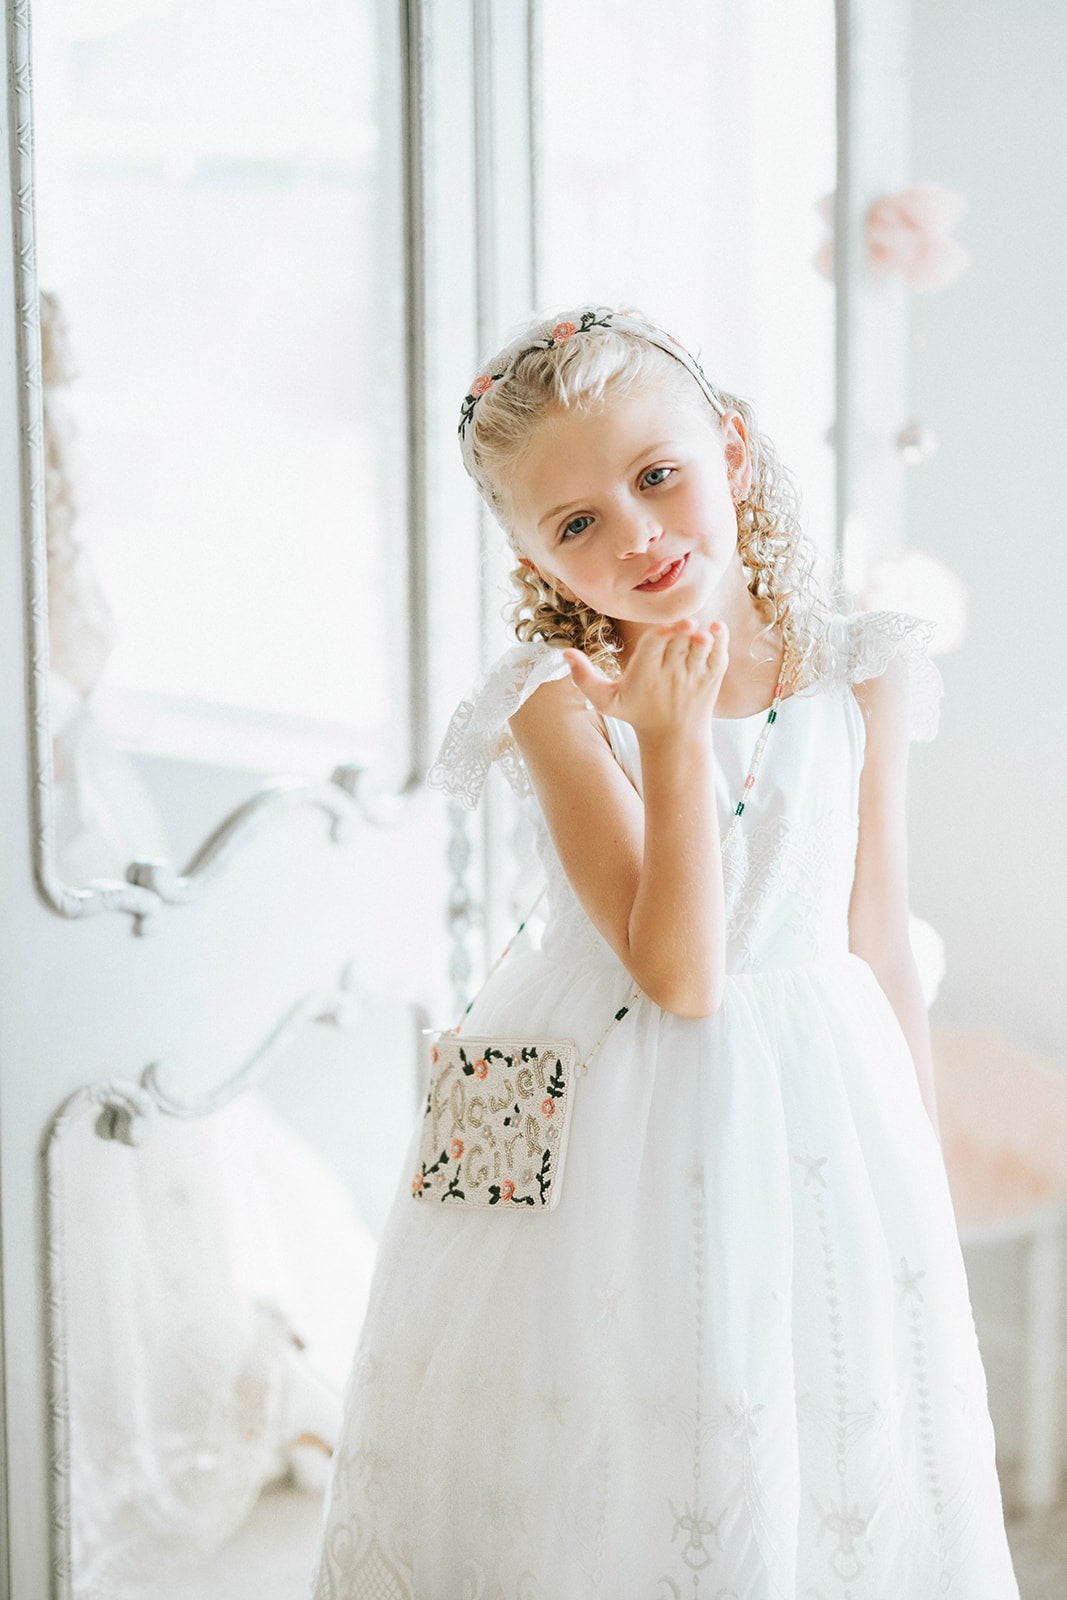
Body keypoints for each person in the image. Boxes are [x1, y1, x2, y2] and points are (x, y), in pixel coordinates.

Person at [308, 306, 1019, 1597]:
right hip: (617, 1114)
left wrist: (912, 1171)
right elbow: (681, 974)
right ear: (531, 554)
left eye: (657, 476)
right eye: (575, 522)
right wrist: (675, 737)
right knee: (622, 1437)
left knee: (817, 1423)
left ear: (731, 451)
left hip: (817, 1108)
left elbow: (878, 939)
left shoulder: (859, 668)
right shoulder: (555, 700)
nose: (635, 534)